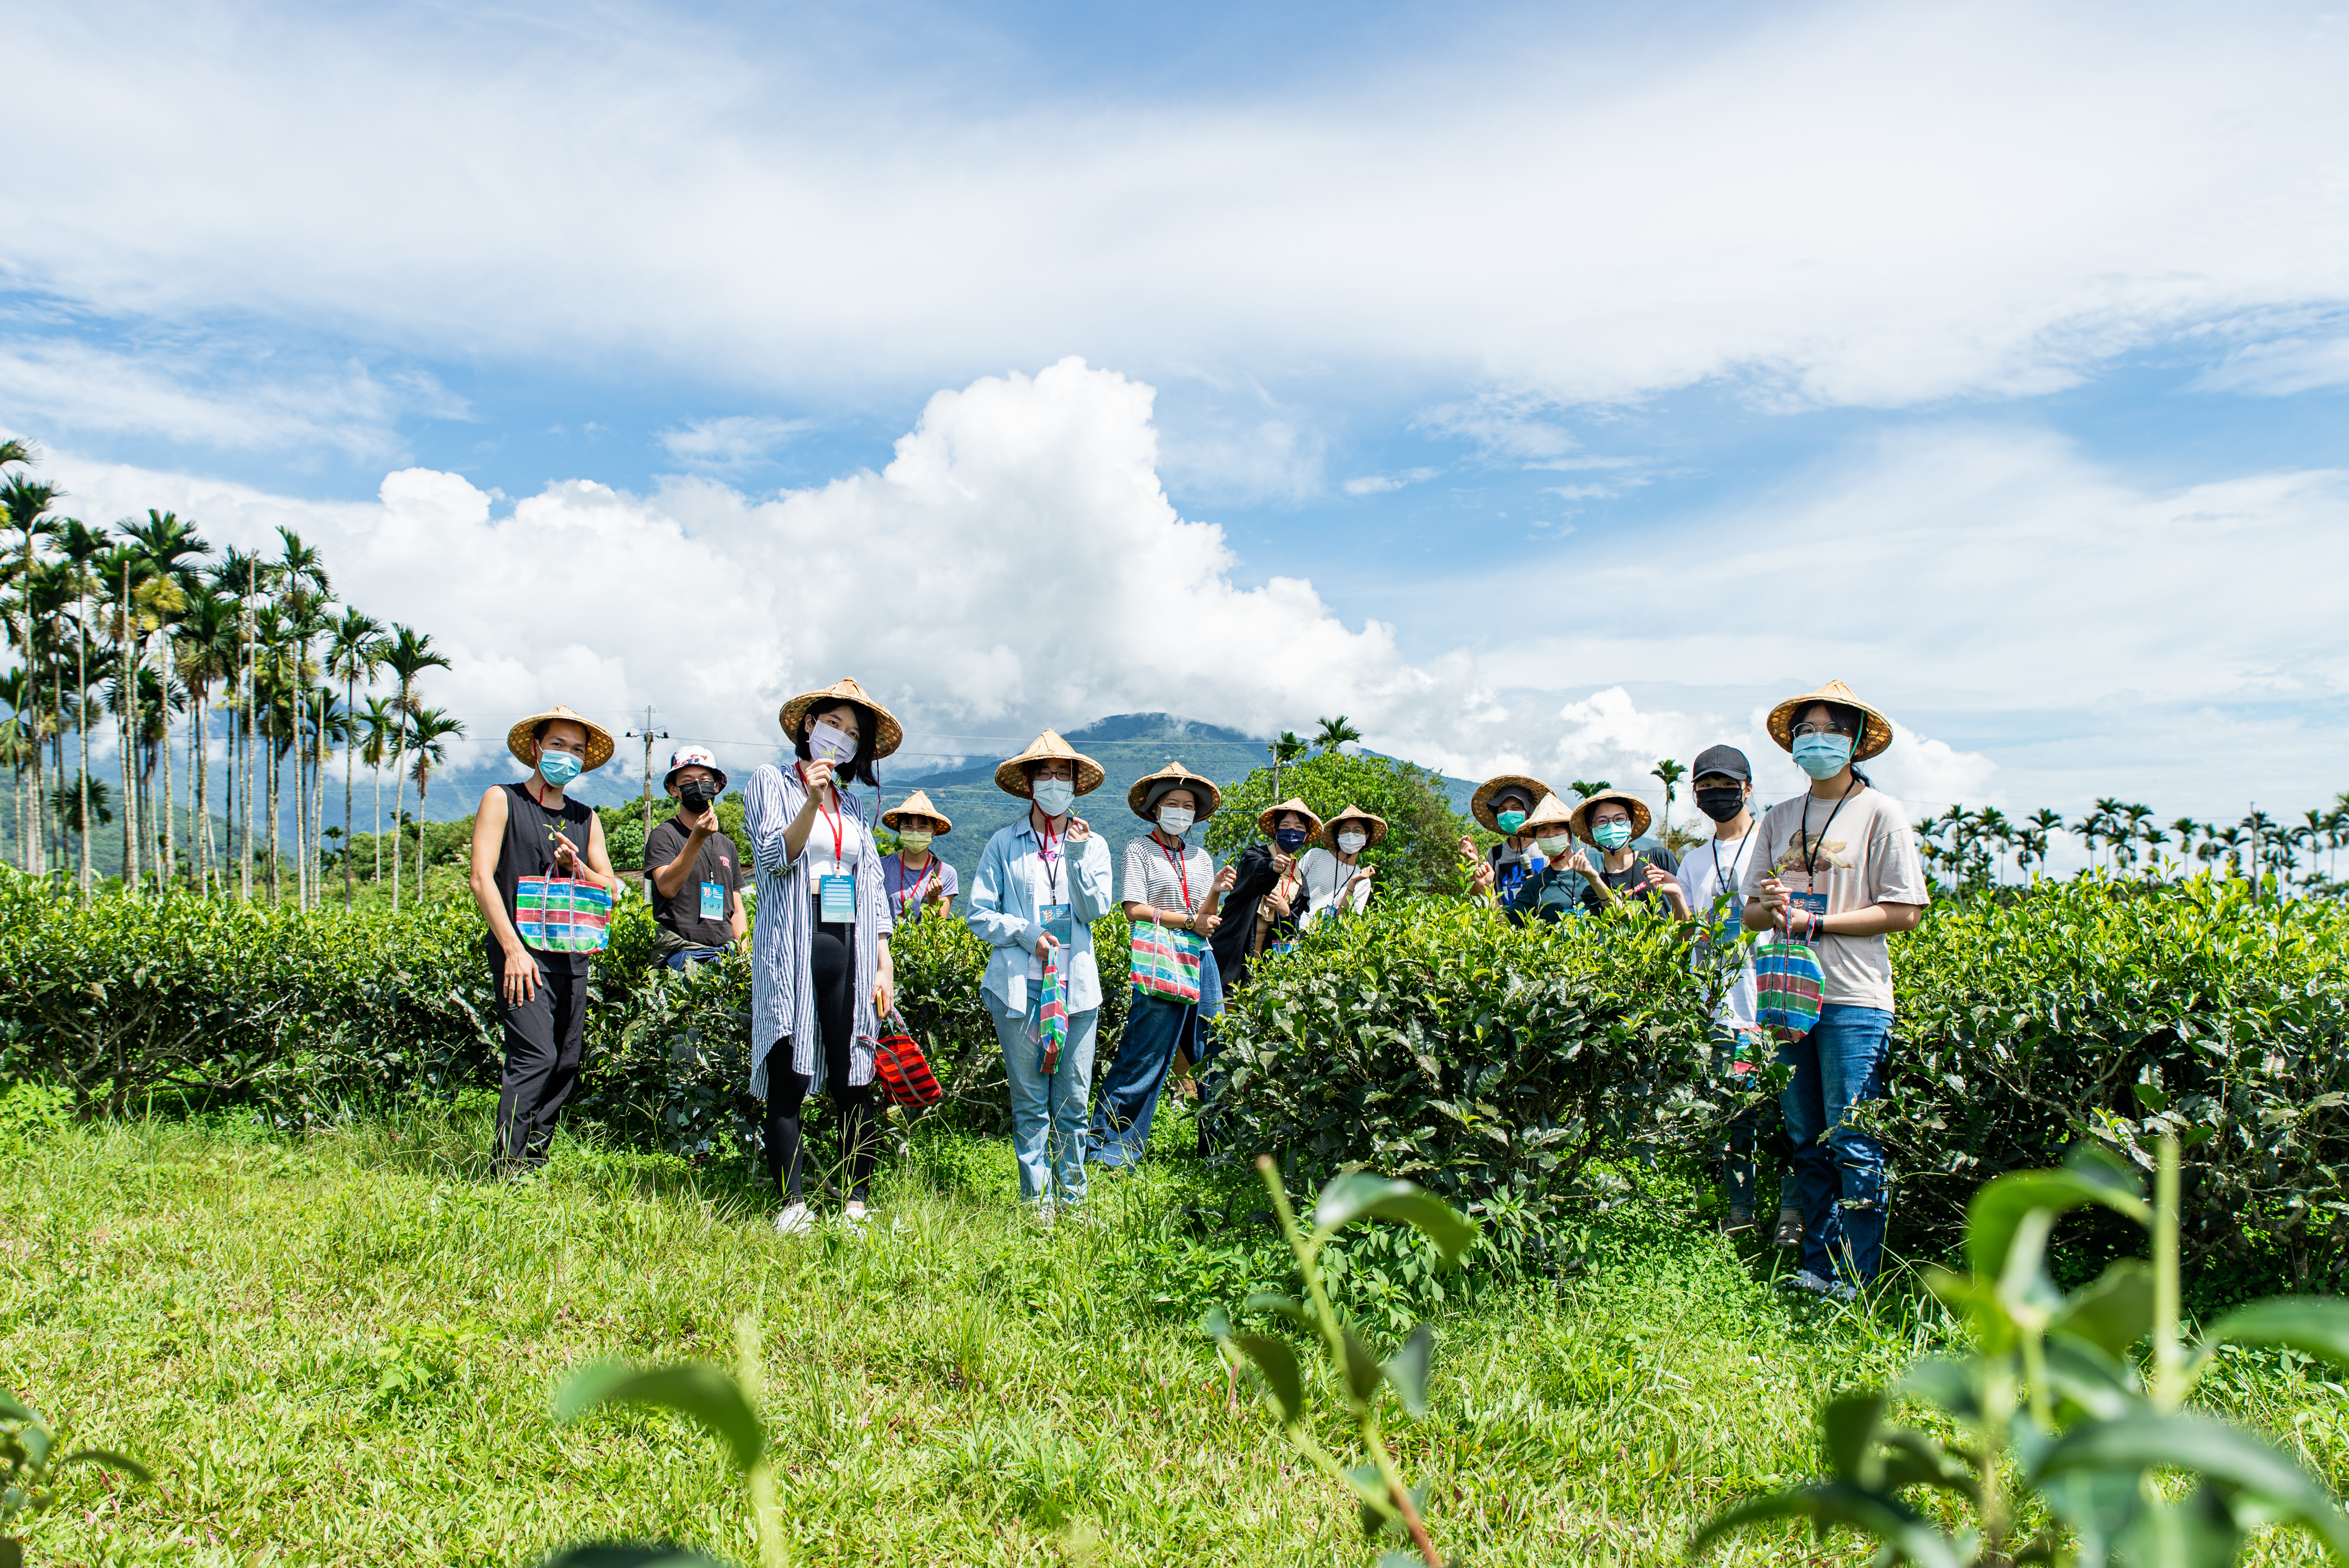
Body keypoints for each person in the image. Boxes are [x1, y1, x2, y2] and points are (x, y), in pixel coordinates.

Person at [1741, 681, 1930, 1298]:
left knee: (1852, 1138)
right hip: (1789, 996)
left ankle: (1858, 1273)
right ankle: (1818, 1267)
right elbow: (1748, 912)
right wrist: (1771, 906)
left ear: (1854, 742)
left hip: (1854, 997)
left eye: (1829, 729)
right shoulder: (1777, 816)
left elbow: (1904, 910)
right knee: (1806, 1137)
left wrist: (1820, 920)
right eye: (1806, 730)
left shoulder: (1881, 813)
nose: (1815, 739)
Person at [744, 677, 900, 1235]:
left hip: (850, 946)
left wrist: (884, 961)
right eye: (833, 723)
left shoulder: (856, 806)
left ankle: (855, 1200)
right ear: (809, 725)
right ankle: (792, 1203)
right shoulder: (770, 781)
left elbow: (875, 886)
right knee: (788, 1067)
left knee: (854, 1073)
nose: (841, 737)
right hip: (793, 943)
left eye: (853, 732)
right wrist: (810, 800)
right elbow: (770, 857)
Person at [966, 729, 1117, 1220]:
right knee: (1030, 1104)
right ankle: (1038, 1204)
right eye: (1045, 775)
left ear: (1075, 784)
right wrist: (1027, 933)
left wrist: (1074, 857)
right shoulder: (1002, 844)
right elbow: (979, 913)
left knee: (1073, 1103)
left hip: (1076, 990)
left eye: (1063, 775)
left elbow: (1096, 909)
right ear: (1028, 784)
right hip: (1017, 988)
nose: (1054, 783)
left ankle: (1074, 1202)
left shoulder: (1093, 845)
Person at [466, 704, 621, 1174]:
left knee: (566, 1061)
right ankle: (508, 1168)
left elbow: (610, 888)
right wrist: (512, 949)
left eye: (577, 750)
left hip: (572, 955)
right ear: (535, 748)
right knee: (536, 1056)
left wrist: (581, 868)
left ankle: (535, 1160)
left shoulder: (585, 817)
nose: (567, 756)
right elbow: (480, 878)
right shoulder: (503, 799)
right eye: (558, 745)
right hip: (523, 955)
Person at [1675, 744, 1798, 1245]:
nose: (1716, 795)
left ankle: (1792, 1212)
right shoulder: (1694, 860)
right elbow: (1686, 935)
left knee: (1790, 1115)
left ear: (1748, 788)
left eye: (1726, 786)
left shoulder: (1776, 844)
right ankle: (1739, 1211)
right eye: (1705, 787)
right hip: (1720, 1007)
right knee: (1734, 1116)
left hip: (1772, 1000)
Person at [1089, 763, 1233, 1170]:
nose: (1181, 811)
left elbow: (1203, 918)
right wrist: (1189, 921)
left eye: (1188, 805)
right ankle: (1111, 1154)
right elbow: (1133, 909)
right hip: (1161, 957)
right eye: (1172, 803)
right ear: (1155, 809)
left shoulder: (1201, 857)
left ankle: (1219, 1152)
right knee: (1146, 1055)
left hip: (1201, 958)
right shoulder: (1139, 849)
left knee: (1215, 1053)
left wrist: (1215, 894)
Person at [643, 744, 748, 971]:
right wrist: (697, 838)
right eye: (688, 781)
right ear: (673, 789)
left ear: (717, 786)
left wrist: (744, 956)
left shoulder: (727, 845)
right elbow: (667, 887)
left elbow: (737, 909)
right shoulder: (664, 835)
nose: (698, 786)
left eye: (705, 778)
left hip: (725, 957)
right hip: (681, 954)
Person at [1566, 790, 1690, 917]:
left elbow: (1689, 907)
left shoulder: (1659, 859)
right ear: (1592, 830)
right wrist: (1594, 880)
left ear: (1632, 824)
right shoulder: (1593, 890)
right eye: (1602, 821)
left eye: (1620, 819)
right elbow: (1625, 919)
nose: (1612, 826)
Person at [1501, 794, 1588, 924]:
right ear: (1537, 838)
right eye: (1543, 829)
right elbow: (1508, 924)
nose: (1550, 834)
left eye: (1558, 827)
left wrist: (1594, 879)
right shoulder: (1535, 885)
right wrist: (1487, 889)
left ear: (1569, 833)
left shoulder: (1594, 870)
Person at [1466, 774, 1551, 906]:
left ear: (1529, 811)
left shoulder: (1546, 848)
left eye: (1516, 808)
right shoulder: (1495, 855)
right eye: (1502, 810)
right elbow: (1480, 902)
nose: (1508, 813)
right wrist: (1473, 864)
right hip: (1505, 924)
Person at [880, 789, 958, 923]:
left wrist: (933, 899)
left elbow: (937, 928)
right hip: (883, 943)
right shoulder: (883, 866)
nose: (915, 832)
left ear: (934, 831)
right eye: (909, 826)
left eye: (923, 827)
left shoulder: (946, 873)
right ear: (900, 829)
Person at [1301, 804, 1382, 920]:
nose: (1351, 835)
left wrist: (1353, 883)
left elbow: (1345, 920)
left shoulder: (1363, 881)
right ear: (1338, 835)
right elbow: (1292, 888)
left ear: (1366, 836)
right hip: (1295, 931)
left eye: (1357, 831)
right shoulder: (1315, 856)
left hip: (1326, 938)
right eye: (1345, 830)